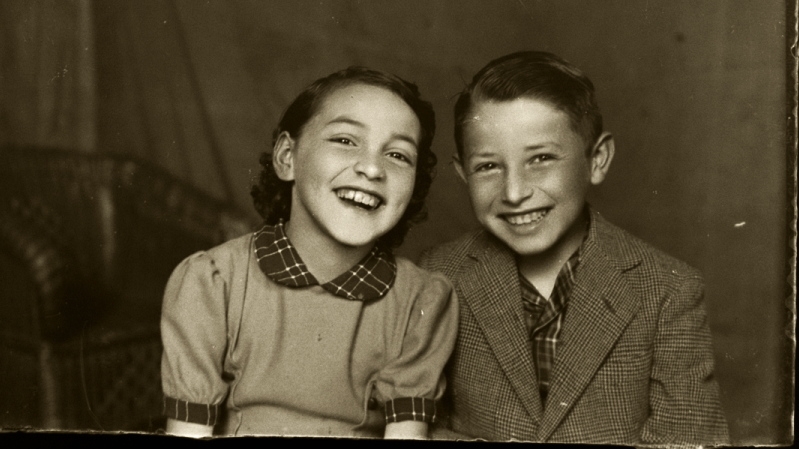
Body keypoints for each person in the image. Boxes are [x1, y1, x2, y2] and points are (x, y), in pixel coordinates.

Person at [420, 51, 729, 445]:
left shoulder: (669, 289)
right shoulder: (439, 273)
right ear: (463, 173)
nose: (515, 193)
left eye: (541, 159)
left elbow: (691, 439)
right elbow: (413, 422)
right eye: (489, 166)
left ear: (596, 160)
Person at [160, 67, 458, 439]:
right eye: (346, 140)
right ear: (287, 157)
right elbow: (188, 432)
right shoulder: (212, 281)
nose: (370, 168)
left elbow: (406, 435)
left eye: (398, 155)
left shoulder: (419, 299)